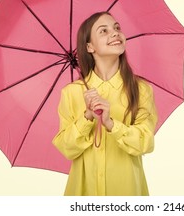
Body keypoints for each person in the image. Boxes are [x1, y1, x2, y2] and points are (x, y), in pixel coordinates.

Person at [52, 11, 158, 196]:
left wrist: (111, 124)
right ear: (90, 47)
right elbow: (67, 148)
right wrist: (87, 117)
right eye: (104, 31)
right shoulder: (72, 93)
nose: (115, 33)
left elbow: (145, 143)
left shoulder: (141, 90)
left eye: (117, 28)